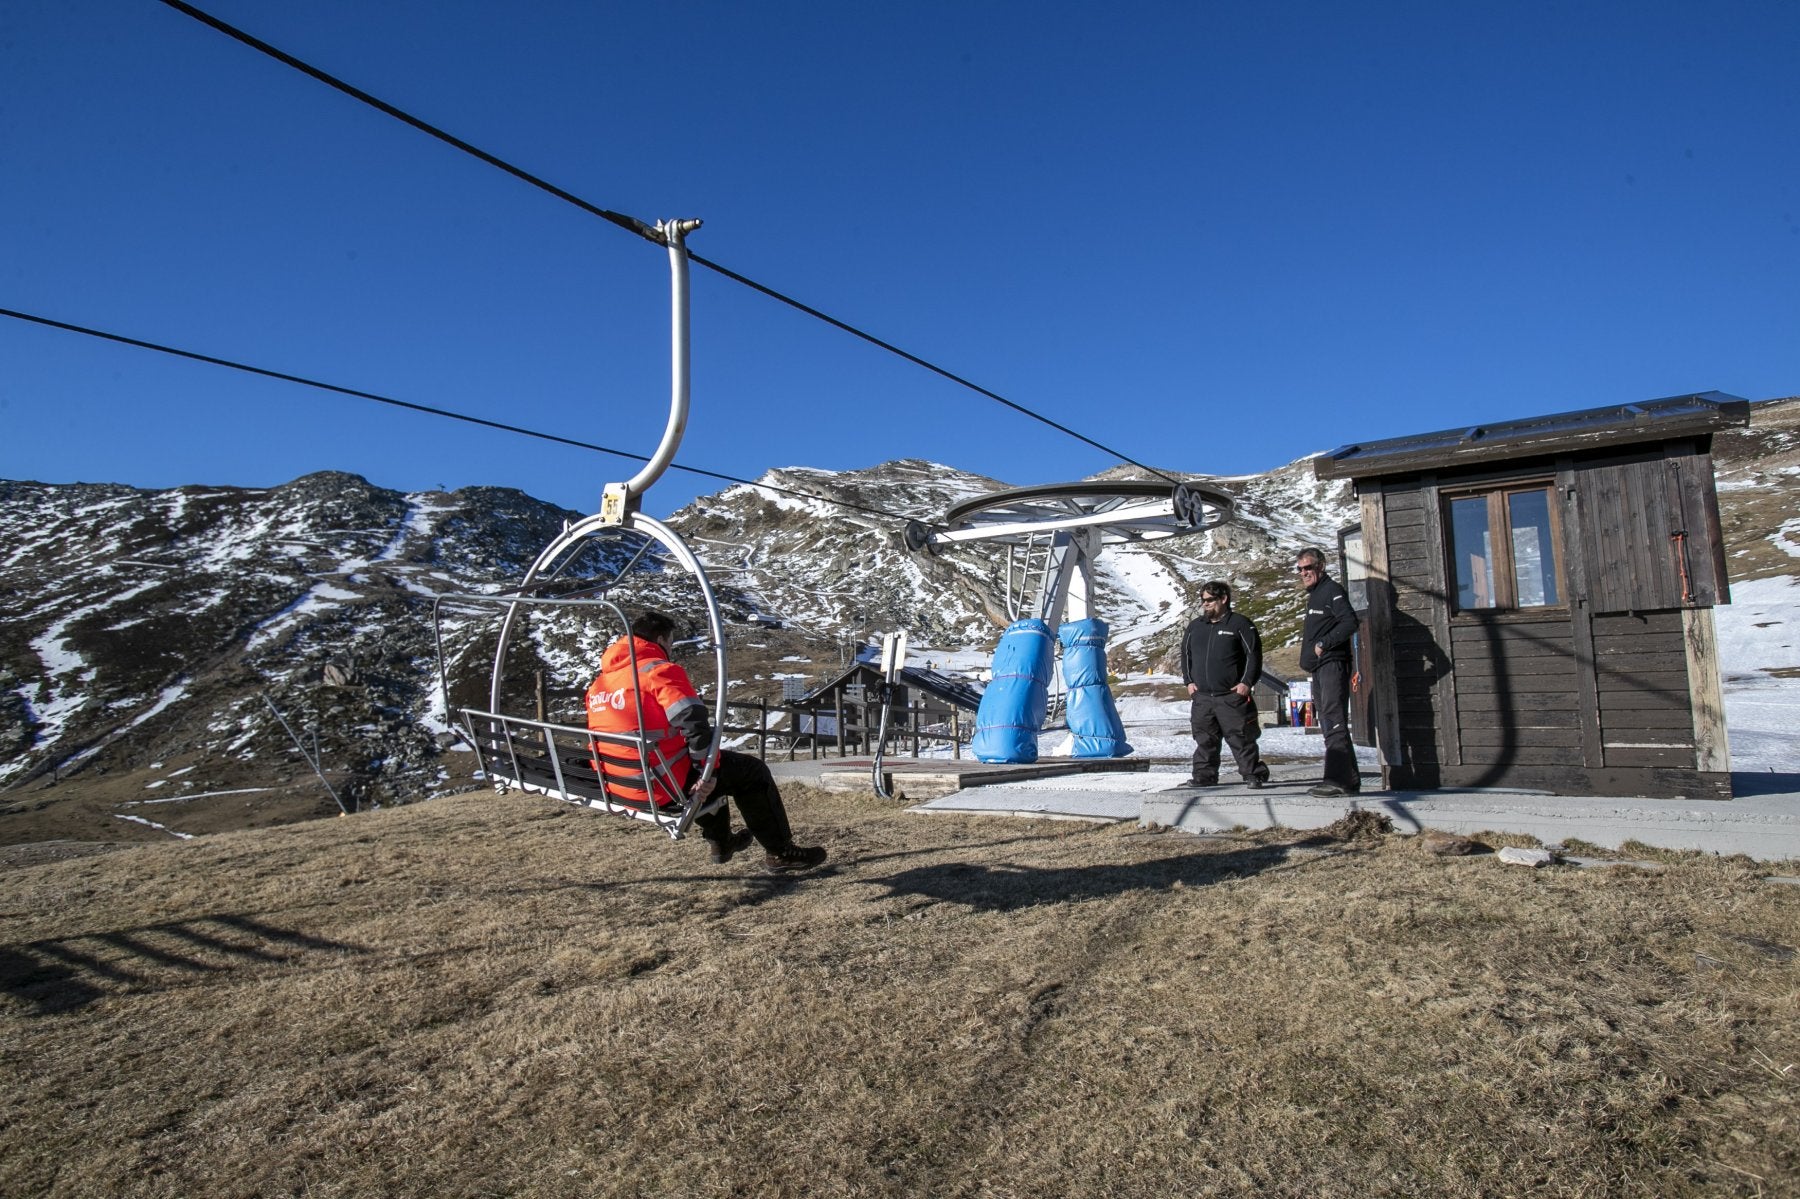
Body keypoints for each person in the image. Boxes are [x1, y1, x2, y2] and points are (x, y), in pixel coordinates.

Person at [587, 611, 827, 873]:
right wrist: (707, 770)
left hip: (619, 784)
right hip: (660, 785)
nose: (670, 648)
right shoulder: (658, 672)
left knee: (709, 767)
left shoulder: (601, 684)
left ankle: (722, 842)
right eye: (670, 642)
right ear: (660, 639)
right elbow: (693, 721)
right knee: (749, 771)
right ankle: (780, 852)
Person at [1179, 581, 1270, 789]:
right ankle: (1204, 776)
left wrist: (1246, 683)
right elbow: (1185, 654)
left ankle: (1253, 774)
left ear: (1223, 599)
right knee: (1204, 739)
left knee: (1241, 738)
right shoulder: (1195, 627)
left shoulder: (1240, 624)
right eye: (1203, 601)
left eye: (1210, 600)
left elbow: (1253, 655)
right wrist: (1189, 681)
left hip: (1231, 696)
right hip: (1202, 697)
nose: (1205, 604)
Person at [1295, 547, 1361, 798]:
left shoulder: (1332, 591)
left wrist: (1324, 644)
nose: (1304, 573)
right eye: (1300, 569)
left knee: (1333, 720)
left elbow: (1349, 621)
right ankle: (1349, 779)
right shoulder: (1316, 594)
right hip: (1319, 668)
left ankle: (1337, 780)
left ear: (1321, 566)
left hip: (1332, 664)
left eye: (1308, 567)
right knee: (1328, 721)